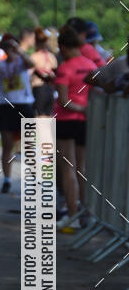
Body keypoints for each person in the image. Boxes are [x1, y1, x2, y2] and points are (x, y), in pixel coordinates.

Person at [54, 26, 95, 231]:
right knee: (83, 167)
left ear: (63, 47)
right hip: (84, 121)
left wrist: (79, 109)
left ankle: (72, 215)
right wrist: (87, 111)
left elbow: (63, 101)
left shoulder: (65, 67)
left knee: (67, 168)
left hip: (67, 120)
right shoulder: (91, 65)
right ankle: (86, 212)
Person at [0, 35, 35, 193]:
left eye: (11, 47)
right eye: (6, 47)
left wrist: (19, 50)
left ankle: (32, 179)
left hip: (24, 105)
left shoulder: (22, 62)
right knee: (7, 145)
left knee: (29, 144)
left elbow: (32, 64)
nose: (9, 50)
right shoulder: (0, 64)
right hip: (6, 106)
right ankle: (7, 179)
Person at [30, 27, 58, 116]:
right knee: (48, 118)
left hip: (38, 90)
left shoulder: (34, 57)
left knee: (35, 119)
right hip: (50, 90)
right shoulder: (52, 57)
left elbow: (27, 75)